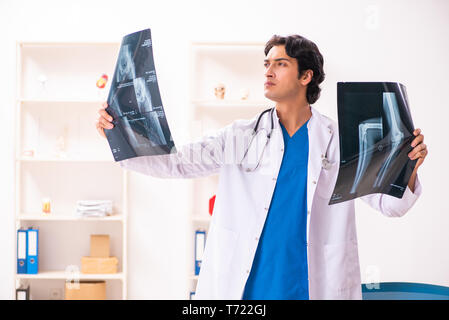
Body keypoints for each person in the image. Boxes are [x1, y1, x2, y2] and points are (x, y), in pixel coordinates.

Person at [95, 34, 427, 300]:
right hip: (249, 287)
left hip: (313, 285)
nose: (268, 71)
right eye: (266, 64)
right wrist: (119, 135)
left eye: (280, 64)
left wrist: (408, 167)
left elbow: (389, 205)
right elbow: (177, 163)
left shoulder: (340, 141)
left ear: (305, 76)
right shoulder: (241, 135)